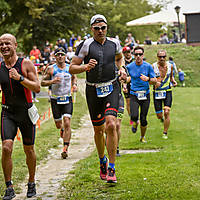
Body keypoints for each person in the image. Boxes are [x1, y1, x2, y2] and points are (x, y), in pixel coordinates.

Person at [69, 14, 126, 183]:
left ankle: (112, 168)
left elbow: (119, 57)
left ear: (107, 28)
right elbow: (72, 68)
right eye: (97, 28)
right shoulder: (85, 45)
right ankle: (102, 160)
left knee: (111, 124)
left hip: (112, 87)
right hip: (93, 90)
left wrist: (122, 69)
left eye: (103, 28)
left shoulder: (114, 43)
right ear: (91, 29)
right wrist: (86, 67)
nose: (100, 31)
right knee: (98, 130)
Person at [0, 33, 40, 199]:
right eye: (1, 44)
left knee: (28, 149)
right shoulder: (0, 67)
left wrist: (20, 78)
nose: (4, 46)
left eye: (7, 43)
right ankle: (9, 187)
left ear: (15, 45)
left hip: (26, 112)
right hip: (8, 112)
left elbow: (37, 87)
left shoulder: (25, 63)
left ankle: (31, 182)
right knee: (6, 148)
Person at [41, 47, 77, 159]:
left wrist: (75, 84)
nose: (60, 56)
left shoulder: (70, 68)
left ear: (65, 56)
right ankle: (61, 130)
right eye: (58, 54)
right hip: (55, 100)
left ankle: (65, 148)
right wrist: (52, 81)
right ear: (55, 56)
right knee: (58, 125)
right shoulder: (51, 69)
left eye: (62, 54)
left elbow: (74, 78)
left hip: (67, 98)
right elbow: (42, 83)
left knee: (67, 122)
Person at [126, 46, 157, 143]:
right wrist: (123, 82)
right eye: (136, 54)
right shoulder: (129, 67)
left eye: (140, 54)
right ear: (133, 55)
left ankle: (142, 137)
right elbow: (127, 78)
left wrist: (147, 79)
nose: (138, 56)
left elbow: (154, 81)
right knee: (134, 115)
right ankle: (134, 123)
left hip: (145, 94)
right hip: (134, 94)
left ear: (143, 55)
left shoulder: (148, 66)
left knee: (143, 118)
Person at [152, 50, 177, 139]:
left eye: (163, 57)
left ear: (166, 57)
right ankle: (161, 118)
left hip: (167, 91)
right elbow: (150, 80)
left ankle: (165, 132)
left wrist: (173, 81)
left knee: (166, 112)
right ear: (157, 57)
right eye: (160, 57)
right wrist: (154, 83)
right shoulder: (153, 66)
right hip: (157, 92)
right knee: (159, 115)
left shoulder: (170, 66)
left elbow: (171, 77)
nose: (162, 59)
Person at [122, 46, 134, 122]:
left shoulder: (135, 60)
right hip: (126, 84)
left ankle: (136, 115)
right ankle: (131, 118)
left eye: (128, 52)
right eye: (125, 52)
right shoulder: (122, 62)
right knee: (128, 102)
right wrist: (124, 86)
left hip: (135, 83)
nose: (127, 54)